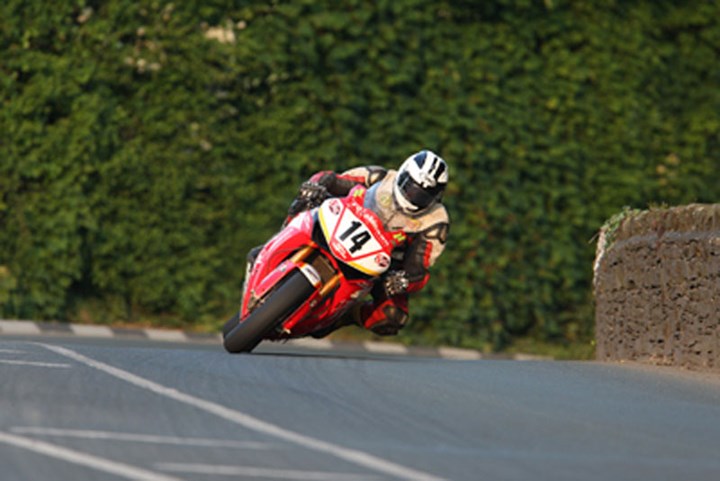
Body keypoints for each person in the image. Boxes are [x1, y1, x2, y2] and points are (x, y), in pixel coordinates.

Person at [284, 149, 450, 337]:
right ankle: (280, 241)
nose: (412, 197)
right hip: (341, 227)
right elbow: (331, 179)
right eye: (410, 187)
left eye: (422, 195)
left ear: (436, 197)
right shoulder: (379, 177)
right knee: (307, 200)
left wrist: (402, 281)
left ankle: (346, 315)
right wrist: (315, 186)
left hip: (383, 264)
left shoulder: (435, 221)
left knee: (392, 316)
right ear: (402, 173)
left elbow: (418, 268)